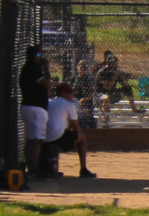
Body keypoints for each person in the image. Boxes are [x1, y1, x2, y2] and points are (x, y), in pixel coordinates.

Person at [42, 83, 96, 178]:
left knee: (58, 136)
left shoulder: (50, 102)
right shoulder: (68, 104)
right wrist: (75, 135)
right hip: (56, 135)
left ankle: (54, 169)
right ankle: (83, 169)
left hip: (43, 136)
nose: (72, 96)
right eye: (70, 93)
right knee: (82, 137)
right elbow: (76, 127)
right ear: (63, 93)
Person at [19, 45, 52, 177]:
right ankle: (33, 169)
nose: (41, 58)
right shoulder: (31, 69)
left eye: (42, 55)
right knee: (36, 140)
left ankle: (31, 168)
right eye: (38, 55)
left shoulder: (34, 70)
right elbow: (48, 84)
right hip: (34, 108)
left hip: (33, 107)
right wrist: (47, 68)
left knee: (32, 139)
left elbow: (48, 89)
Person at [95, 50, 143, 122]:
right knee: (107, 98)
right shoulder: (102, 72)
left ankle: (134, 109)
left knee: (127, 88)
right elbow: (107, 87)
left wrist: (126, 80)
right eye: (113, 63)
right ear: (109, 63)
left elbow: (123, 84)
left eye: (115, 62)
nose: (115, 64)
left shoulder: (115, 71)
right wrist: (115, 76)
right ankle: (106, 118)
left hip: (112, 93)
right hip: (100, 94)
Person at [73, 59, 97, 129]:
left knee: (86, 115)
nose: (82, 68)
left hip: (86, 101)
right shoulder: (75, 78)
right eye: (80, 66)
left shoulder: (89, 79)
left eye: (84, 67)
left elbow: (93, 93)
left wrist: (85, 99)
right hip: (75, 100)